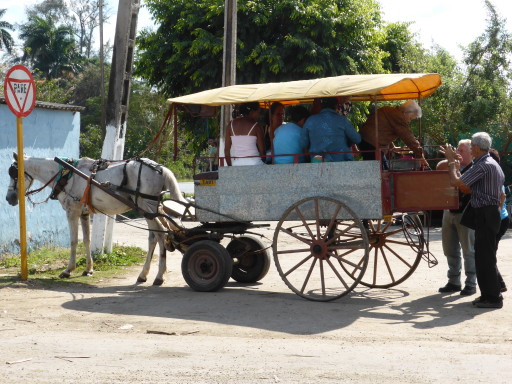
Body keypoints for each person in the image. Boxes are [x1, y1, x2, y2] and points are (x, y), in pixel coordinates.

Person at [441, 132, 505, 309]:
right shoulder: (490, 163)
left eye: (470, 147)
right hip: (489, 213)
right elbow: (469, 188)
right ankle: (488, 294)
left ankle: (493, 298)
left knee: (485, 257)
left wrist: (451, 161)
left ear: (476, 147)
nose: (470, 149)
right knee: (483, 256)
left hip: (486, 213)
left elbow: (457, 183)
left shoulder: (483, 164)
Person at [436, 139, 476, 296]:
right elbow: (439, 168)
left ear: (471, 152)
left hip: (466, 212)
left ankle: (471, 283)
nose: (458, 153)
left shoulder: (475, 167)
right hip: (449, 211)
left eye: (462, 150)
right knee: (450, 249)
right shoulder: (451, 164)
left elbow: (461, 184)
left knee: (469, 250)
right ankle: (454, 281)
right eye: (457, 150)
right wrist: (450, 160)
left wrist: (453, 163)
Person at [359, 100, 428, 169]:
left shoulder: (390, 111)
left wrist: (392, 147)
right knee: (381, 172)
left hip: (367, 142)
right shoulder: (398, 117)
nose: (409, 121)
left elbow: (383, 132)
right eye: (410, 118)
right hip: (372, 145)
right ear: (406, 112)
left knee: (382, 170)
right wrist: (420, 156)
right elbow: (408, 136)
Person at [300, 97, 361, 162]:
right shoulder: (342, 120)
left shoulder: (310, 120)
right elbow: (357, 139)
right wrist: (348, 141)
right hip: (341, 162)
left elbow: (303, 144)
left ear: (321, 105)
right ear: (336, 106)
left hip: (318, 162)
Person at [488, 148, 508, 293]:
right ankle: (499, 284)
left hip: (500, 219)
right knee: (489, 254)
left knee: (488, 255)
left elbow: (502, 198)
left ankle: (498, 284)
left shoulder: (494, 175)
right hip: (501, 219)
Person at [224, 102, 265, 166]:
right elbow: (262, 151)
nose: (258, 115)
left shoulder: (230, 125)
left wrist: (231, 168)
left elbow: (226, 151)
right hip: (255, 163)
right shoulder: (256, 126)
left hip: (237, 164)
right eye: (258, 112)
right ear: (252, 111)